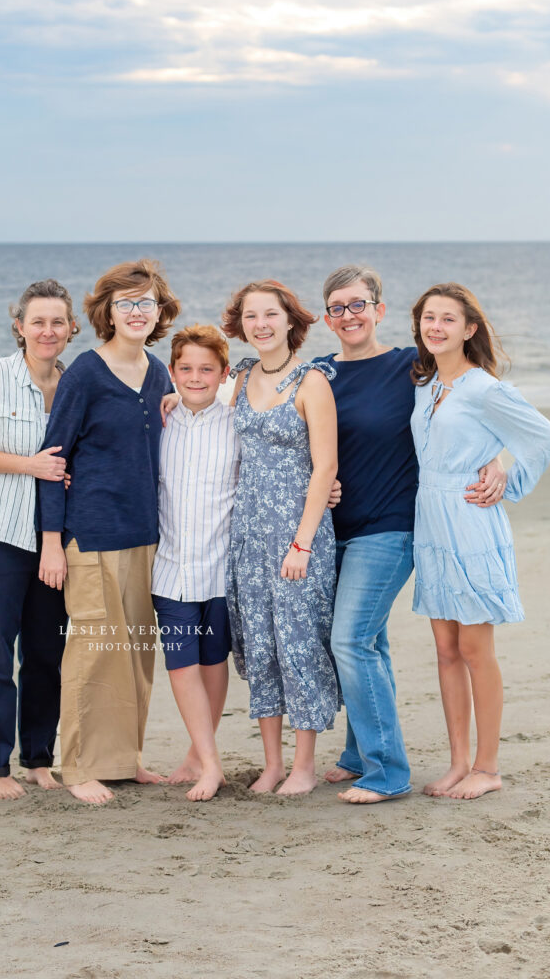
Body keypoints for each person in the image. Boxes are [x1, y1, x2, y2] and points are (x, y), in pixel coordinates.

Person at [315, 264, 507, 805]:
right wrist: (190, 399)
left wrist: (500, 460)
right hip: (335, 529)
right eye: (337, 307)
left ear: (378, 310)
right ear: (328, 319)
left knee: (350, 638)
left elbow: (469, 406)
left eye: (358, 305)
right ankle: (357, 753)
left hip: (394, 526)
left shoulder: (411, 367)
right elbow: (263, 397)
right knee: (366, 640)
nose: (349, 315)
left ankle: (385, 770)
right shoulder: (319, 373)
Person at [410, 282, 550, 800]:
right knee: (446, 648)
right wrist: (496, 458)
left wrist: (507, 480)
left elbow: (546, 437)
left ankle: (488, 766)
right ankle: (458, 763)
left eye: (448, 319)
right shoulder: (427, 386)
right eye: (429, 317)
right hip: (430, 521)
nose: (436, 327)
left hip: (469, 520)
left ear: (469, 329)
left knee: (475, 647)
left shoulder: (483, 388)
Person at [37, 259, 180, 806]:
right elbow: (54, 461)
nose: (138, 311)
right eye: (127, 303)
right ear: (107, 313)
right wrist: (53, 542)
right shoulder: (85, 375)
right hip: (91, 536)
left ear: (159, 310)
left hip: (147, 537)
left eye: (147, 302)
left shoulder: (161, 373)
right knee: (94, 653)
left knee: (136, 656)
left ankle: (125, 760)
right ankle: (76, 767)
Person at [0, 278, 79, 799]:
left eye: (57, 321)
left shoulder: (74, 385)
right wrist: (30, 466)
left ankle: (39, 760)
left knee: (47, 656)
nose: (47, 331)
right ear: (20, 328)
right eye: (37, 321)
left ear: (72, 329)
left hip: (52, 546)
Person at [222, 280, 339, 796]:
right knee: (263, 646)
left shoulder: (311, 382)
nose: (261, 324)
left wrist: (303, 543)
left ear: (291, 321)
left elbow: (325, 466)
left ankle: (304, 765)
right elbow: (198, 399)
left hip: (297, 536)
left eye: (270, 314)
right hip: (247, 533)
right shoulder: (240, 375)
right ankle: (271, 764)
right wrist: (166, 400)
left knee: (299, 646)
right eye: (251, 316)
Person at [152, 324, 239, 802]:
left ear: (224, 374)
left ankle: (195, 752)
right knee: (181, 664)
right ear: (172, 372)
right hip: (170, 568)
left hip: (220, 568)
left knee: (212, 661)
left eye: (207, 369)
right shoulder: (160, 422)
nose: (196, 377)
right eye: (185, 368)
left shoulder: (236, 424)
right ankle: (211, 765)